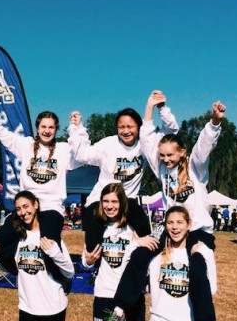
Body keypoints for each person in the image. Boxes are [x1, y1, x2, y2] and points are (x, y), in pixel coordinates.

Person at [103, 94, 225, 321]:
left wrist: (214, 122)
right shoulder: (162, 170)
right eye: (163, 156)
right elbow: (147, 137)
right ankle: (119, 312)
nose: (166, 159)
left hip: (197, 232)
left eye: (171, 155)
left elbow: (203, 146)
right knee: (139, 256)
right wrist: (149, 106)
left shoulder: (195, 169)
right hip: (172, 230)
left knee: (198, 268)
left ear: (181, 153)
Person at [0, 92, 81, 250]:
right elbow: (0, 131)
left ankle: (58, 274)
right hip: (26, 207)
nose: (47, 131)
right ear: (37, 128)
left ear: (56, 129)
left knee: (50, 248)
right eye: (43, 126)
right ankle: (19, 272)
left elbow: (82, 154)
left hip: (51, 208)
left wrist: (76, 128)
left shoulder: (63, 150)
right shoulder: (26, 145)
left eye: (51, 127)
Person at [67, 91, 178, 232]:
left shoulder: (145, 145)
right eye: (121, 127)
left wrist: (162, 107)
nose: (126, 131)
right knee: (93, 241)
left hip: (127, 202)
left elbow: (171, 131)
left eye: (130, 127)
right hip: (101, 201)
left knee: (145, 233)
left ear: (139, 127)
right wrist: (77, 128)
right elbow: (81, 155)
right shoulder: (107, 144)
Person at [0, 191, 75, 321]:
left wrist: (54, 253)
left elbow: (70, 272)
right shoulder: (18, 238)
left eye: (26, 206)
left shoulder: (49, 235)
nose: (23, 212)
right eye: (18, 209)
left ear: (35, 205)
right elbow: (11, 267)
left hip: (53, 306)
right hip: (27, 307)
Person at [82, 183, 157, 321]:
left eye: (114, 201)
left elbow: (146, 255)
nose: (109, 206)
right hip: (105, 294)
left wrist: (137, 243)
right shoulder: (97, 227)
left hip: (131, 296)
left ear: (122, 203)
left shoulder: (132, 228)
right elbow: (86, 260)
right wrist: (88, 261)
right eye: (106, 201)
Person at [147, 206, 217, 321]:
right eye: (170, 222)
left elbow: (211, 289)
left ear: (188, 225)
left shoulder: (198, 254)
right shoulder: (156, 255)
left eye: (180, 222)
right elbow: (140, 283)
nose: (174, 227)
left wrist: (205, 252)